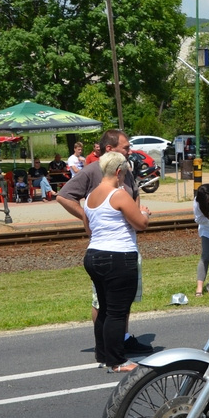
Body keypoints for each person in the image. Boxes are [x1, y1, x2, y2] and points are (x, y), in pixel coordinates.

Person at [58, 130, 153, 358]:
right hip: (114, 252)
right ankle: (113, 355)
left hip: (114, 248)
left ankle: (116, 344)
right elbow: (64, 196)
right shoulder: (95, 173)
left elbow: (134, 196)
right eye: (126, 147)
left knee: (118, 304)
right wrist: (87, 217)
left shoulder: (125, 172)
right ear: (110, 151)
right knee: (109, 307)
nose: (130, 151)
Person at [82, 151, 150, 372]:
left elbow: (88, 229)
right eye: (125, 173)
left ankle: (102, 354)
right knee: (117, 312)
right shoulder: (118, 195)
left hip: (94, 255)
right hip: (119, 256)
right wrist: (145, 213)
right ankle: (117, 360)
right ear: (118, 171)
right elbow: (140, 224)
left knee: (104, 308)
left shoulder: (90, 197)